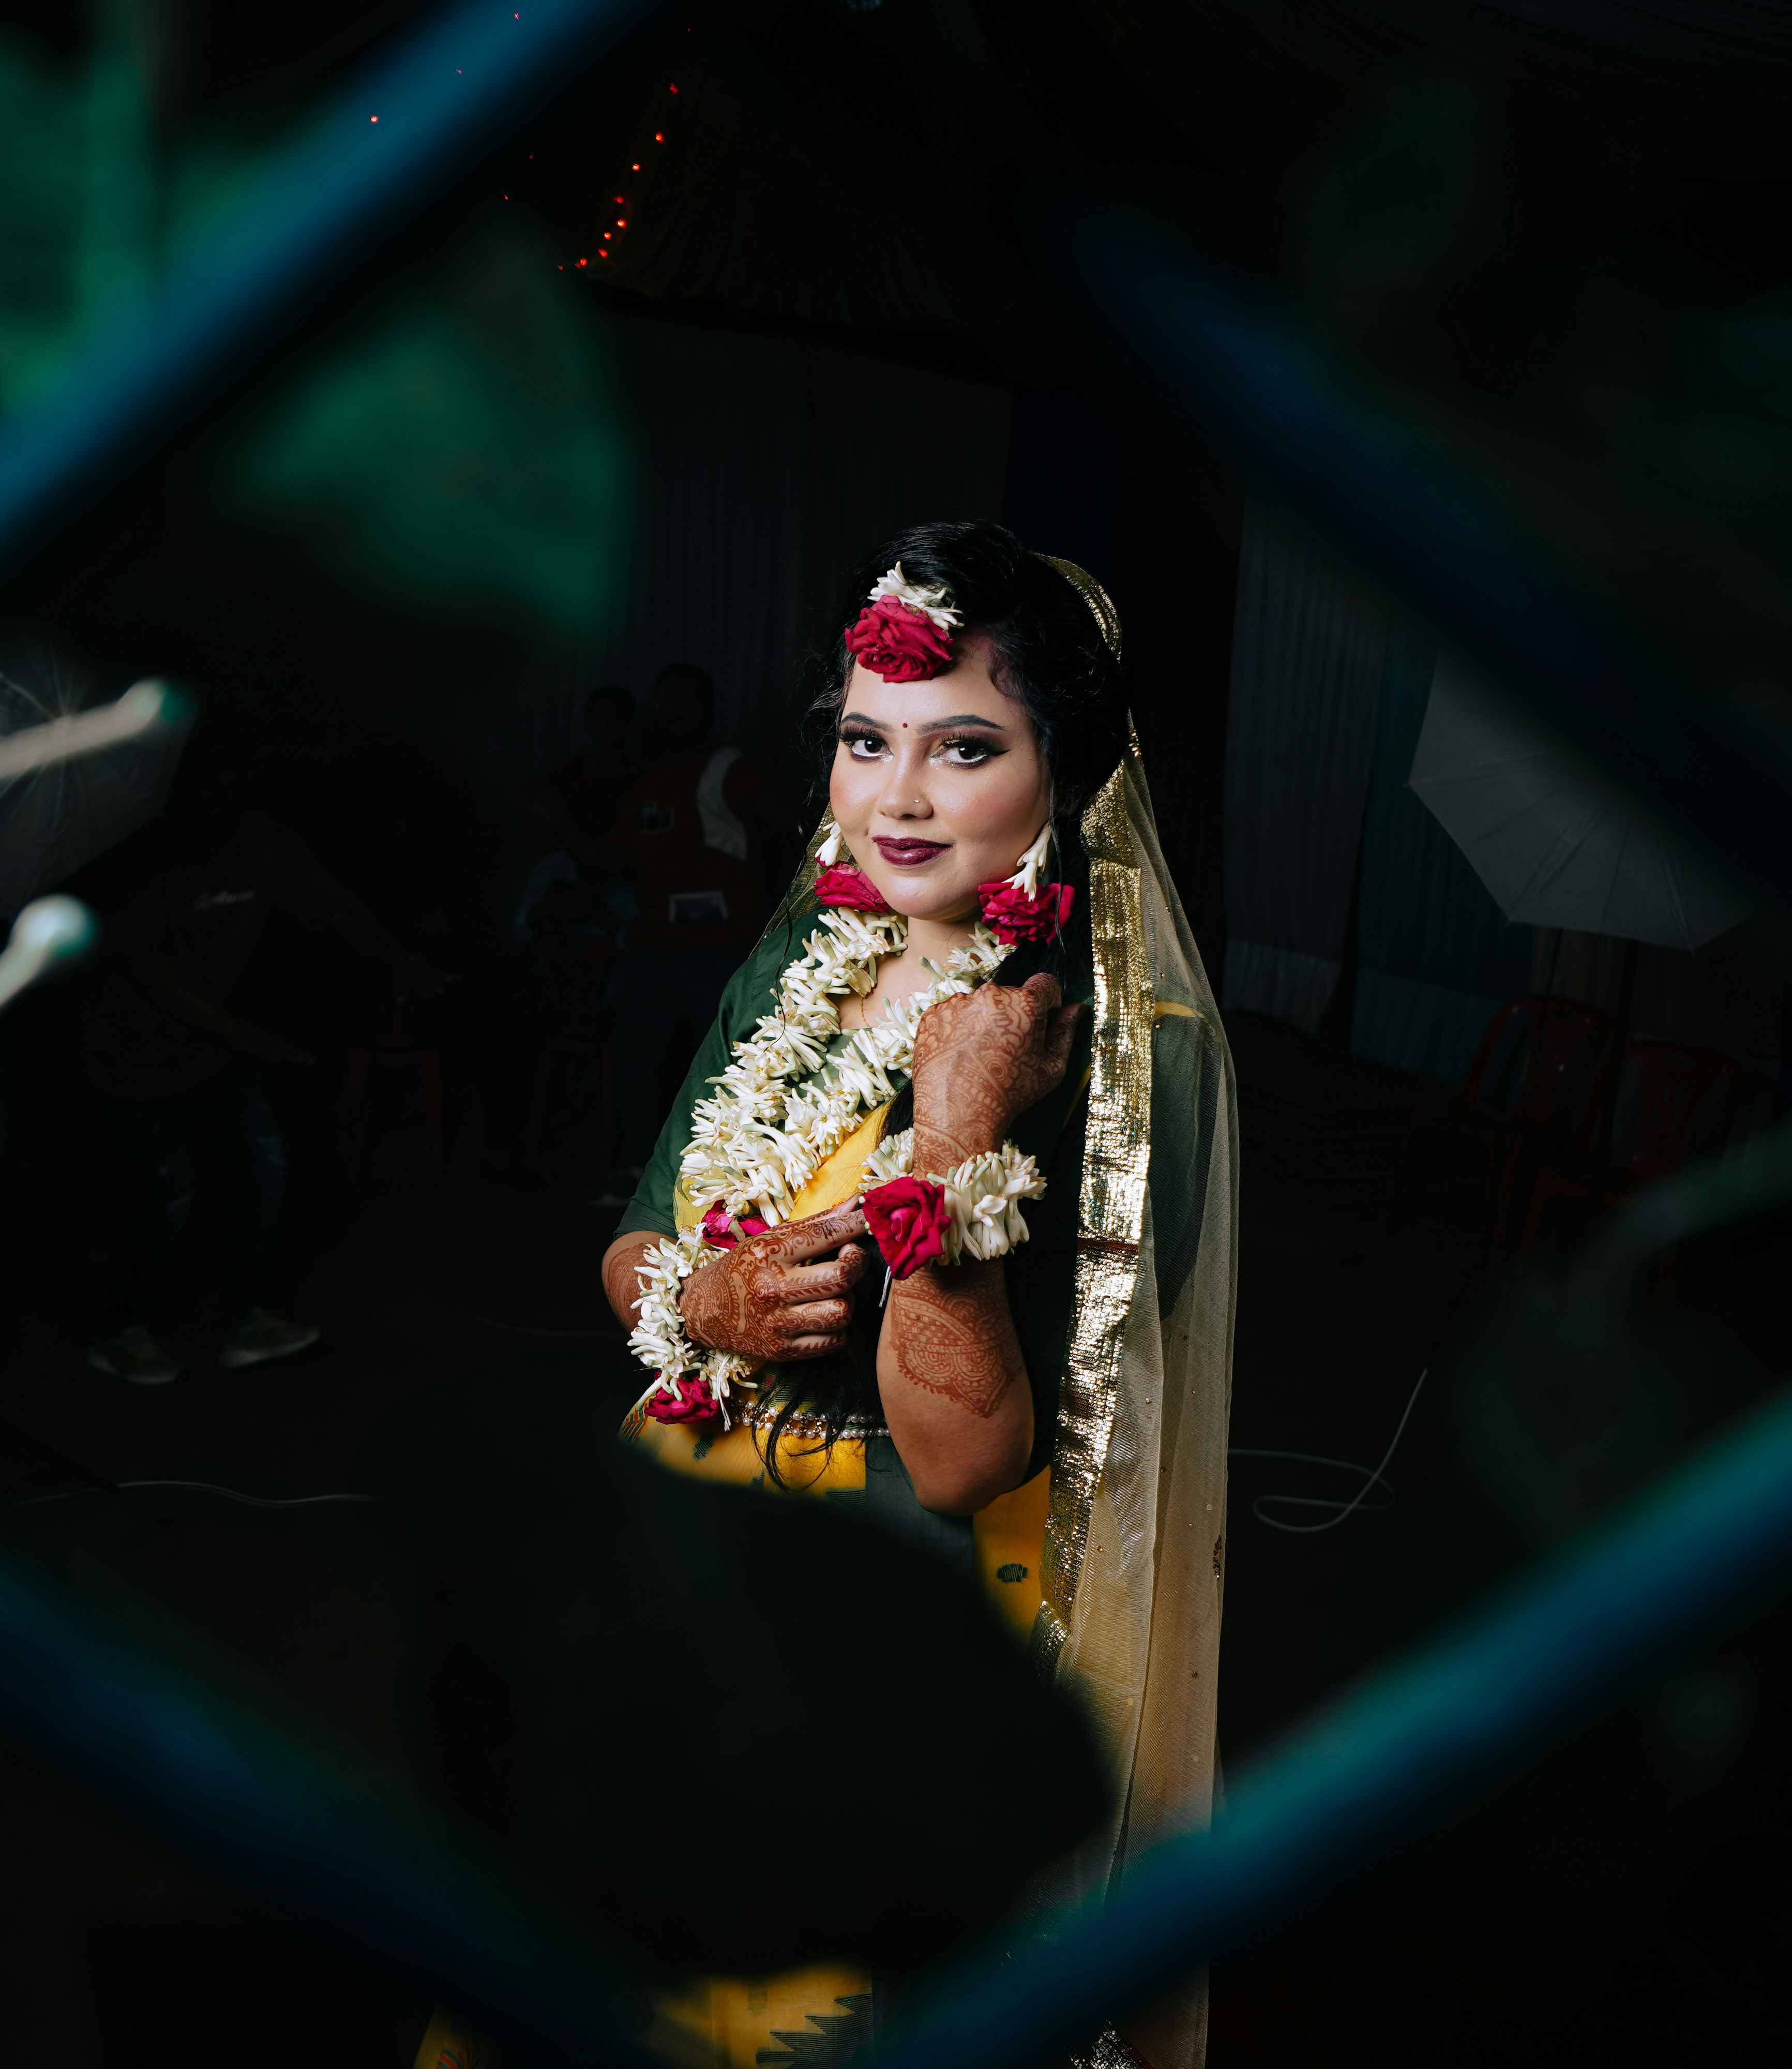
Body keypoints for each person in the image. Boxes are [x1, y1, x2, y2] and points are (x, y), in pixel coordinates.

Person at [416, 522, 1240, 2069]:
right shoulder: (805, 951)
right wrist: (703, 1300)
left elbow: (964, 1459)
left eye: (964, 746)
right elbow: (634, 1241)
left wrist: (952, 1136)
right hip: (683, 1531)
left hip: (898, 1594)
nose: (896, 796)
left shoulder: (1120, 1047)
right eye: (866, 740)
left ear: (1068, 771)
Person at [77, 726, 439, 1385]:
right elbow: (149, 969)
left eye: (227, 769)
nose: (213, 783)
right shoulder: (145, 852)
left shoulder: (262, 842)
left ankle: (247, 1320)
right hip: (133, 1048)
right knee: (166, 1195)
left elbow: (335, 906)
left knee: (263, 1166)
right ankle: (120, 1331)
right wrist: (241, 1033)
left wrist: (395, 958)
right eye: (200, 769)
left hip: (214, 1043)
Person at [587, 663, 790, 1206]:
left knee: (732, 1070)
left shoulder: (729, 767)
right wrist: (555, 820)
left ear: (708, 709)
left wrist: (770, 898)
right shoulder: (649, 781)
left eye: (687, 700)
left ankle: (730, 1191)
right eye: (666, 700)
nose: (675, 711)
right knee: (636, 1064)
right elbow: (611, 858)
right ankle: (638, 1175)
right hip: (651, 950)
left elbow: (792, 824)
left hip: (719, 950)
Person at [511, 682, 639, 943]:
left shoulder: (637, 778)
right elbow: (525, 802)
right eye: (598, 719)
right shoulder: (571, 770)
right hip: (569, 870)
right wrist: (543, 859)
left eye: (614, 720)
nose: (605, 728)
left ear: (628, 725)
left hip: (615, 873)